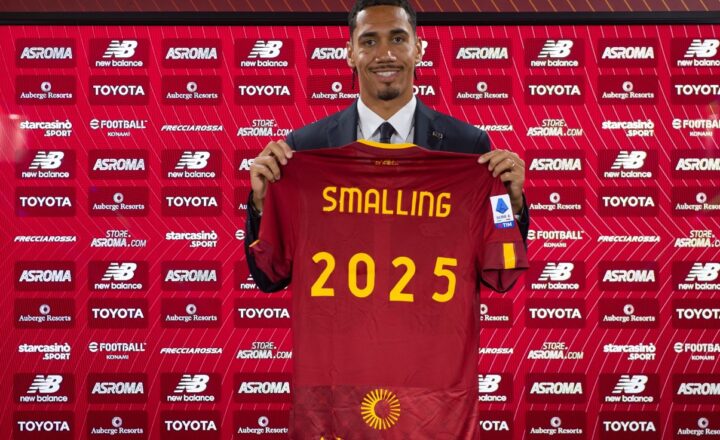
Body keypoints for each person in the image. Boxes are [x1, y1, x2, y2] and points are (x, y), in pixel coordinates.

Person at [245, 0, 529, 293]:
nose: (385, 54)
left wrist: (510, 208)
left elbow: (499, 274)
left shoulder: (467, 146)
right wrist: (262, 205)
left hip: (429, 322)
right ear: (350, 53)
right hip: (340, 322)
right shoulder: (304, 148)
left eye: (397, 39)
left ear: (418, 49)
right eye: (369, 41)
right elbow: (270, 278)